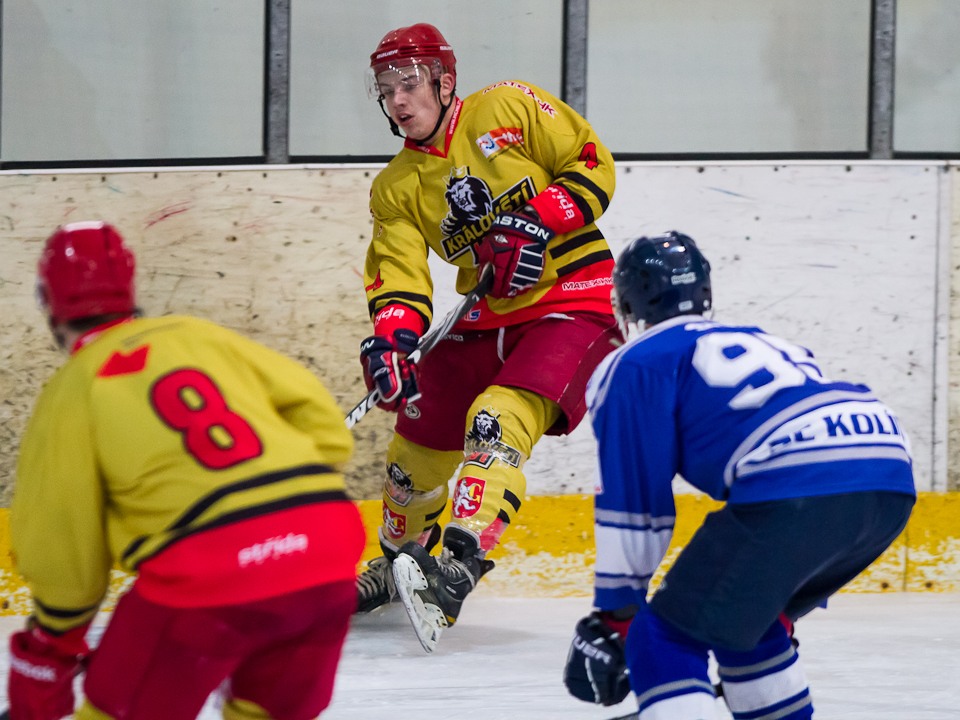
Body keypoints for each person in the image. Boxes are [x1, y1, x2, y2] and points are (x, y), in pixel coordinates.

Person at [9, 221, 365, 720]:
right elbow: (326, 428)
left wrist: (54, 635)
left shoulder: (74, 387)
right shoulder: (198, 336)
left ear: (48, 303)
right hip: (326, 549)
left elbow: (62, 545)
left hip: (205, 578)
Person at [563, 231, 916, 719]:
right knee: (747, 628)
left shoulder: (637, 362)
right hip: (888, 469)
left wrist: (618, 612)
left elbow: (636, 501)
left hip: (799, 477)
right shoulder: (765, 340)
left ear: (627, 301)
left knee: (661, 635)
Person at [355, 22, 621, 652]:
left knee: (495, 421)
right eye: (386, 89)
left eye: (409, 83)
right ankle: (400, 560)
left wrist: (534, 220)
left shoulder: (507, 105)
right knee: (413, 451)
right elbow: (399, 277)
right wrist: (393, 343)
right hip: (486, 316)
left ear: (445, 81)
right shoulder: (395, 186)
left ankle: (459, 564)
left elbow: (593, 164)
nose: (398, 99)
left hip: (573, 300)